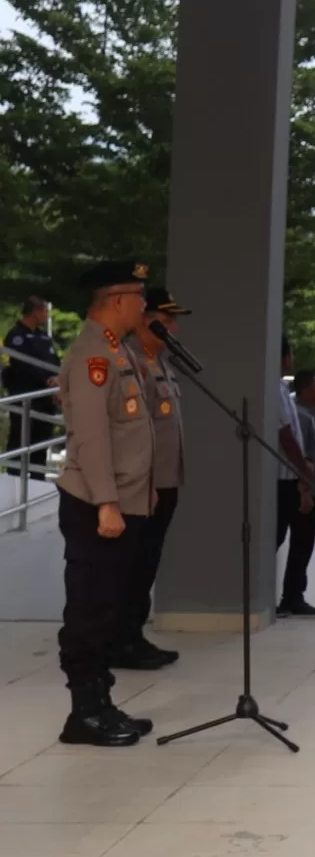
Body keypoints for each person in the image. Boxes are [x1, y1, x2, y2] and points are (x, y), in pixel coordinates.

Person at [52, 261, 159, 746]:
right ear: (117, 301)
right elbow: (92, 437)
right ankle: (85, 713)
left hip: (123, 500)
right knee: (91, 607)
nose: (144, 305)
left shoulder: (119, 351)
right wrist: (107, 503)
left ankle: (102, 703)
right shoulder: (93, 355)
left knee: (109, 604)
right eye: (139, 297)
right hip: (97, 504)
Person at [115, 287, 187, 670]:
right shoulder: (130, 363)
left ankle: (133, 635)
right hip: (145, 485)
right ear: (145, 321)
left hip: (164, 481)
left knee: (147, 563)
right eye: (166, 320)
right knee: (133, 564)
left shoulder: (158, 363)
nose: (174, 328)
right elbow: (133, 433)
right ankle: (120, 640)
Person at [273, 341, 315, 616]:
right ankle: (280, 596)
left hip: (296, 477)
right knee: (277, 537)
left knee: (301, 543)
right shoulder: (275, 389)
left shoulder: (282, 388)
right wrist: (303, 471)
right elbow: (286, 436)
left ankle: (293, 595)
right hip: (285, 477)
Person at [4, 295, 61, 478]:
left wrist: (58, 380)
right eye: (44, 311)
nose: (46, 315)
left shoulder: (43, 336)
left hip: (46, 399)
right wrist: (47, 381)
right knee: (20, 442)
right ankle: (14, 481)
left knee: (40, 445)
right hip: (26, 397)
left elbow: (54, 361)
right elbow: (24, 366)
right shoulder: (16, 336)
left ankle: (39, 481)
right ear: (36, 311)